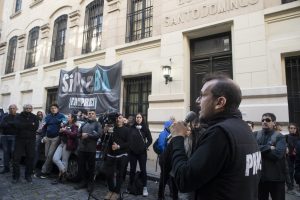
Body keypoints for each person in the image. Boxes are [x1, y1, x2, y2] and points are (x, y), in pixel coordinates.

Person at [170, 74, 261, 200]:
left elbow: (184, 180)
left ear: (220, 102)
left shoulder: (220, 133)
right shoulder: (244, 128)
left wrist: (178, 137)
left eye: (202, 95)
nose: (197, 101)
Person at [255, 113, 286, 200]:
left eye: (268, 120)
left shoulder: (280, 137)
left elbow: (277, 155)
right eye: (263, 120)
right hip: (260, 179)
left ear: (274, 123)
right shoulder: (255, 134)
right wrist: (268, 147)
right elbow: (251, 149)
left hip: (276, 179)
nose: (264, 122)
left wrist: (259, 149)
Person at [74, 110, 102, 191]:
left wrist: (88, 135)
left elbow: (99, 134)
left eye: (92, 114)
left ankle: (90, 183)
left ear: (95, 115)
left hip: (91, 150)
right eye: (89, 114)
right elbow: (78, 134)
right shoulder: (84, 123)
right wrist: (81, 135)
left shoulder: (97, 124)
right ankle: (83, 182)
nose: (90, 115)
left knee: (91, 168)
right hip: (82, 149)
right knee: (81, 166)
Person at [36, 103, 66, 178]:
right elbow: (44, 127)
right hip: (47, 138)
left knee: (50, 155)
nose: (53, 109)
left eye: (55, 108)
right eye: (52, 108)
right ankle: (48, 171)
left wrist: (63, 124)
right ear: (50, 109)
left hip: (56, 138)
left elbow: (65, 123)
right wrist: (43, 136)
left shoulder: (61, 116)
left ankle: (43, 171)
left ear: (57, 109)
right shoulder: (48, 117)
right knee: (47, 155)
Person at [103, 113, 130, 200]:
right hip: (111, 154)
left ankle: (117, 192)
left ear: (123, 120)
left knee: (120, 175)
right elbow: (105, 139)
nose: (118, 119)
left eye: (120, 118)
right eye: (117, 118)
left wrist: (119, 146)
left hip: (122, 154)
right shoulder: (112, 129)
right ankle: (111, 190)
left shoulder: (127, 130)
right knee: (108, 174)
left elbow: (129, 143)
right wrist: (105, 132)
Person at [128, 113, 152, 197]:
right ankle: (131, 186)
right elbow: (128, 139)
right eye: (137, 117)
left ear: (142, 118)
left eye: (140, 117)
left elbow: (150, 140)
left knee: (143, 170)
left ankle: (144, 187)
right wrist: (130, 147)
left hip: (142, 153)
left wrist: (144, 146)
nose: (138, 119)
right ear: (135, 118)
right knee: (132, 169)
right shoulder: (131, 128)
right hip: (132, 153)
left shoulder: (145, 128)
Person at [13, 104, 39, 183]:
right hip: (19, 139)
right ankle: (16, 176)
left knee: (30, 158)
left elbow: (36, 127)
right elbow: (17, 125)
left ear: (31, 109)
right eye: (26, 108)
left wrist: (24, 125)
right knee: (16, 158)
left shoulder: (34, 117)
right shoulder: (18, 116)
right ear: (24, 109)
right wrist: (30, 124)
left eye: (30, 108)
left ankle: (28, 175)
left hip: (31, 140)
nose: (28, 109)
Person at [52, 113, 78, 184]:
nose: (67, 117)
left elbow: (74, 135)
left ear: (72, 118)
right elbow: (60, 134)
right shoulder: (65, 124)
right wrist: (60, 131)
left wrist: (65, 131)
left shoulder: (74, 126)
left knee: (64, 161)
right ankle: (65, 172)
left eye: (69, 116)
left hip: (68, 144)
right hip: (62, 143)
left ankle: (61, 178)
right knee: (55, 158)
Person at [157, 120, 179, 200]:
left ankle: (172, 193)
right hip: (164, 159)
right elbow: (161, 146)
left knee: (170, 178)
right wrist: (166, 152)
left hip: (170, 159)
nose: (172, 127)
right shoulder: (164, 134)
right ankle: (160, 195)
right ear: (168, 126)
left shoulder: (173, 134)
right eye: (171, 126)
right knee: (164, 178)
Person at [0, 104, 18, 174]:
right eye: (10, 108)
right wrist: (13, 124)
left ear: (16, 109)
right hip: (5, 136)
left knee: (13, 152)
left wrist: (9, 124)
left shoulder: (19, 116)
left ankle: (14, 167)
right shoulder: (5, 116)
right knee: (5, 152)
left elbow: (18, 125)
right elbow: (2, 125)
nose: (12, 109)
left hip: (14, 136)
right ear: (9, 109)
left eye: (13, 108)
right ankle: (6, 168)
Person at [286, 123, 299, 192]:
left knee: (298, 171)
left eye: (294, 128)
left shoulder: (299, 137)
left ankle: (298, 185)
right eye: (291, 128)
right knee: (290, 171)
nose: (293, 129)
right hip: (289, 156)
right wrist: (286, 147)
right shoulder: (286, 137)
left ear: (296, 129)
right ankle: (290, 186)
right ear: (289, 129)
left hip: (298, 156)